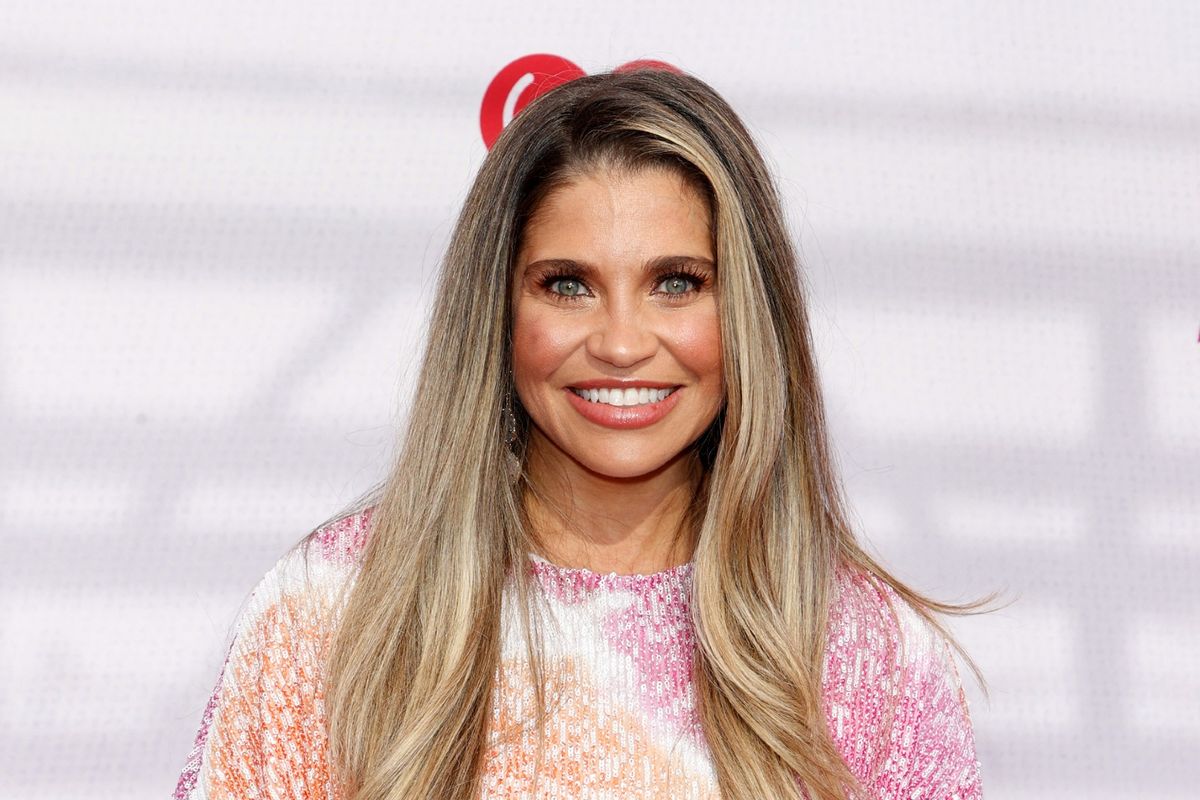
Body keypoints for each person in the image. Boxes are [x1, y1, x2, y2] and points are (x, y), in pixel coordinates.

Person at [172, 67, 987, 800]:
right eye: (568, 285)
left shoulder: (866, 652)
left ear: (747, 312)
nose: (624, 342)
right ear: (498, 312)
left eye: (677, 283)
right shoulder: (337, 613)